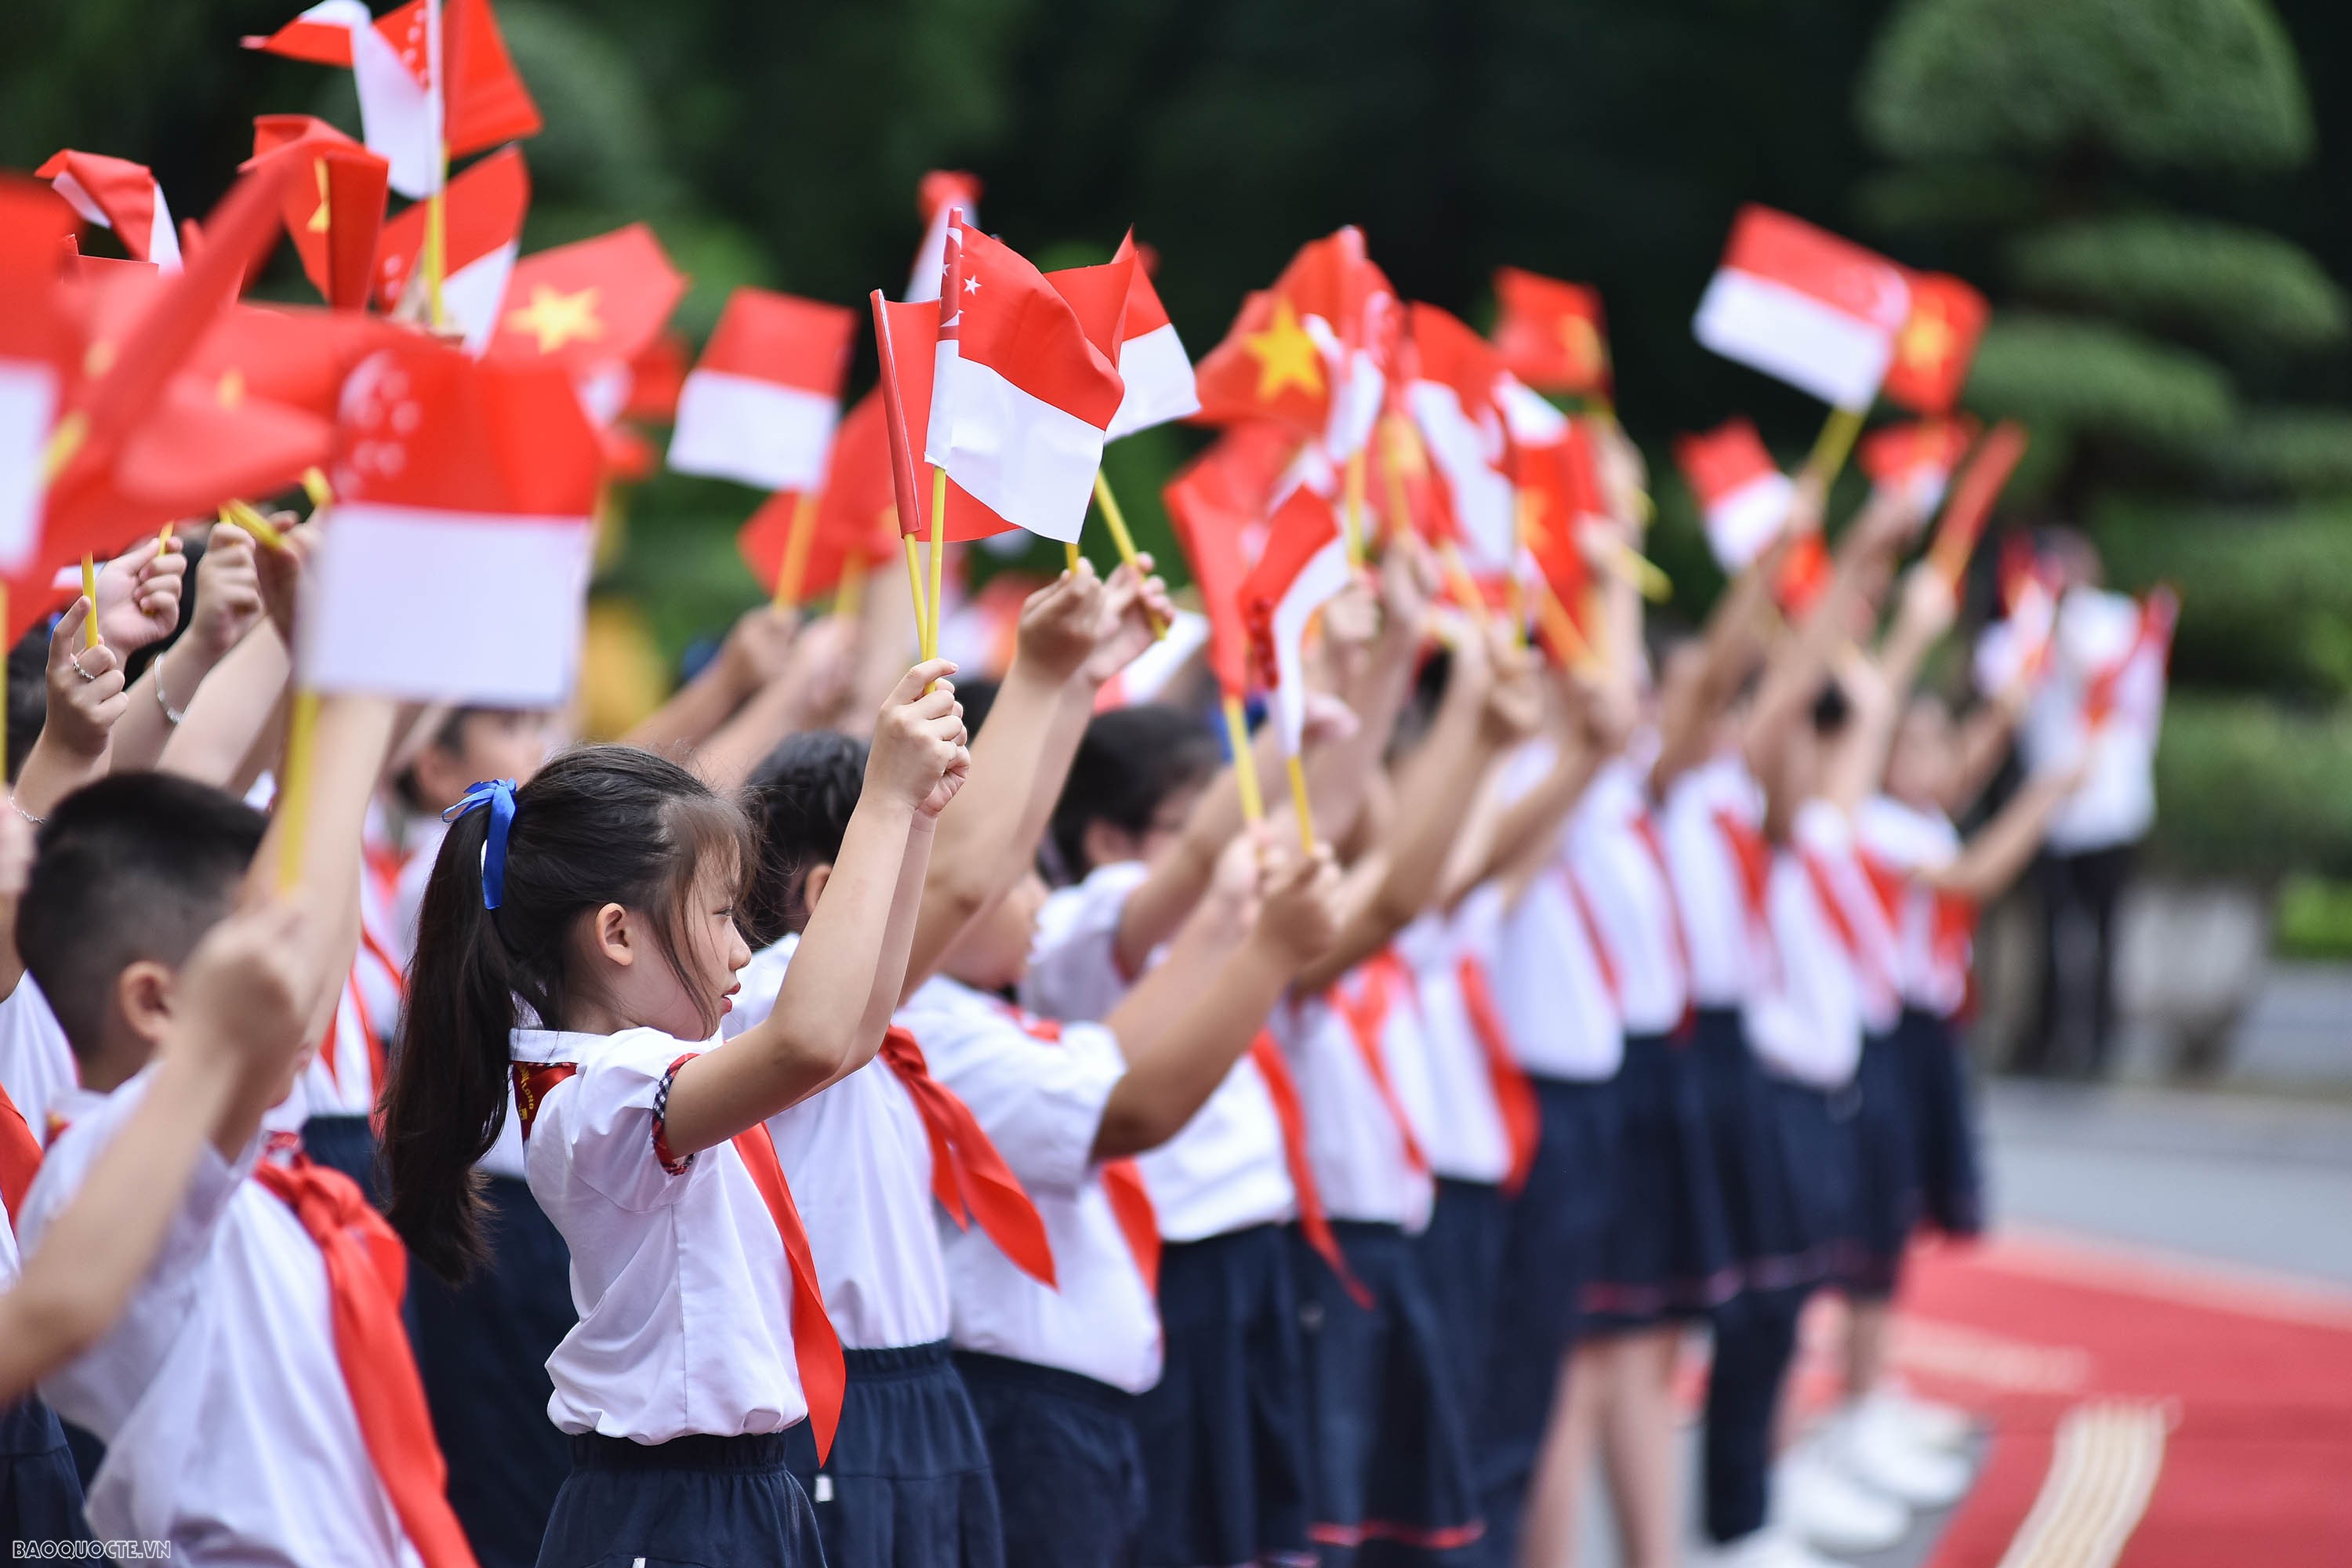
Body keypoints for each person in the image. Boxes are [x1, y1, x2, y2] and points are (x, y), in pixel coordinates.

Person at [381, 659, 967, 1567]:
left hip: (728, 1487)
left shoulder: (633, 1065)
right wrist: (879, 803)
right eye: (724, 913)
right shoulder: (599, 1090)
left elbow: (852, 1036)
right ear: (616, 933)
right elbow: (811, 1041)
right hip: (676, 1505)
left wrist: (914, 820)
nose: (743, 950)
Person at [14, 695, 474, 1566]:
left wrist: (338, 696)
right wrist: (353, 693)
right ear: (156, 1003)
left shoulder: (231, 1170)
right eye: (254, 971)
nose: (301, 990)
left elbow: (314, 937)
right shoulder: (112, 1156)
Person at [2013, 532, 2171, 1079]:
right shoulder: (2026, 618)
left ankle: (2100, 1044)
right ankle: (2047, 1038)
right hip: (2047, 806)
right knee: (2050, 932)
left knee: (2104, 932)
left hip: (2108, 807)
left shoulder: (2121, 620)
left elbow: (2117, 686)